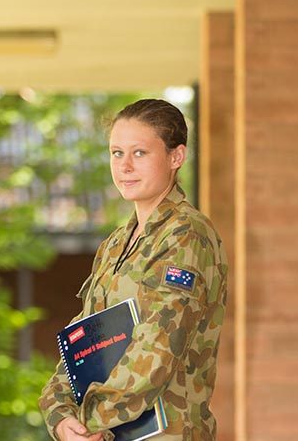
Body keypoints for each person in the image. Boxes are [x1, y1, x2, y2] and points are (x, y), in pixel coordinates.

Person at [39, 99, 228, 441]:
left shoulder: (186, 235)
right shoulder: (116, 244)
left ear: (176, 157)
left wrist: (91, 421)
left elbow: (158, 348)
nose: (124, 166)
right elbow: (83, 340)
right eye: (116, 153)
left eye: (139, 153)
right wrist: (58, 412)